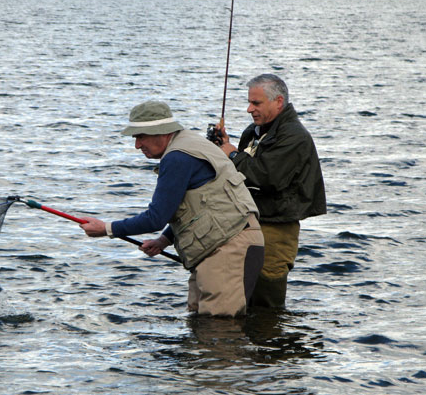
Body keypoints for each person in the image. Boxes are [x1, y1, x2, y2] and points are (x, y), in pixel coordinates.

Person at [80, 100, 264, 317]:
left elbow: (156, 217)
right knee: (200, 321)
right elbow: (193, 206)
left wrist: (107, 229)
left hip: (228, 248)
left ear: (160, 132)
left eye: (141, 137)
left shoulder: (177, 157)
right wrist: (164, 241)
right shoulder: (188, 144)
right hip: (220, 246)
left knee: (219, 330)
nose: (137, 145)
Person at [216, 74, 326, 308]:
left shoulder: (294, 135)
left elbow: (265, 176)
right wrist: (222, 147)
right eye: (249, 102)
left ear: (278, 102)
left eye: (256, 103)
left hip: (277, 230)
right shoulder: (254, 131)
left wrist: (232, 153)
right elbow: (240, 171)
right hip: (249, 224)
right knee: (242, 296)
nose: (249, 109)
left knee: (267, 299)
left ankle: (271, 340)